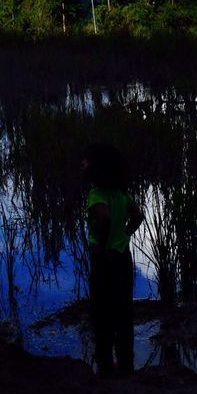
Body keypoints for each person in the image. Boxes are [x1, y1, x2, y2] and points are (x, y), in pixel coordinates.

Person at [82, 142, 144, 375]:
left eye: (86, 161)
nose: (82, 164)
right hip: (123, 257)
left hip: (104, 260)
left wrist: (104, 245)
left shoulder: (96, 195)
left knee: (102, 308)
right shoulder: (122, 194)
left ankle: (105, 365)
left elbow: (105, 218)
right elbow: (138, 216)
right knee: (123, 308)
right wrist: (126, 234)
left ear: (97, 169)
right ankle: (125, 360)